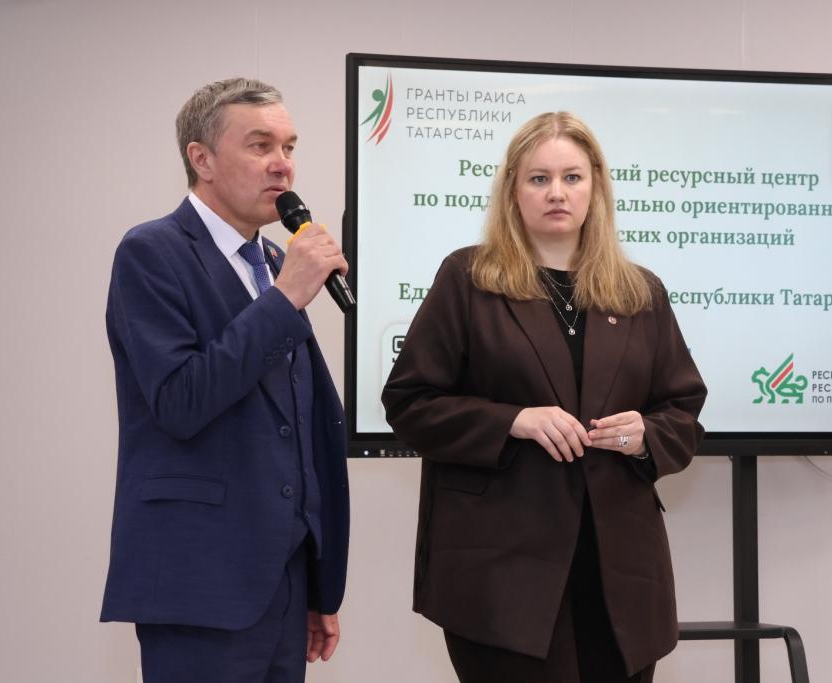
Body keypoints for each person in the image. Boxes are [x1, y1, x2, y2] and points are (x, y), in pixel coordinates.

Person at [381, 112, 707, 683]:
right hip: (502, 575)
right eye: (539, 178)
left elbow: (683, 412)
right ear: (513, 189)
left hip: (620, 578)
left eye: (572, 177)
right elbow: (410, 402)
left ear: (595, 188)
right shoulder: (468, 278)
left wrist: (645, 437)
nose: (557, 192)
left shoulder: (640, 292)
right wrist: (513, 421)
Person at [99, 78, 350, 683]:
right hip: (199, 579)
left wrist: (317, 580)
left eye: (289, 147)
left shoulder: (272, 263)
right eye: (260, 146)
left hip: (283, 581)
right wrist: (286, 299)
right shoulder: (152, 251)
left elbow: (296, 421)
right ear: (202, 159)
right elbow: (180, 401)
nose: (282, 164)